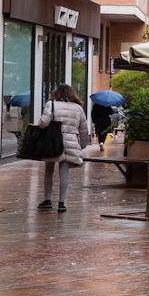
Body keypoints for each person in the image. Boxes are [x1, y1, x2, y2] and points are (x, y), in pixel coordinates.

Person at [35, 85, 90, 213]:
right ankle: (61, 203)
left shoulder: (51, 104)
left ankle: (47, 200)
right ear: (72, 94)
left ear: (56, 93)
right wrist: (82, 145)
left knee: (49, 170)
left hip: (52, 142)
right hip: (70, 143)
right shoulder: (78, 108)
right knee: (64, 172)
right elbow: (84, 130)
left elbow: (44, 123)